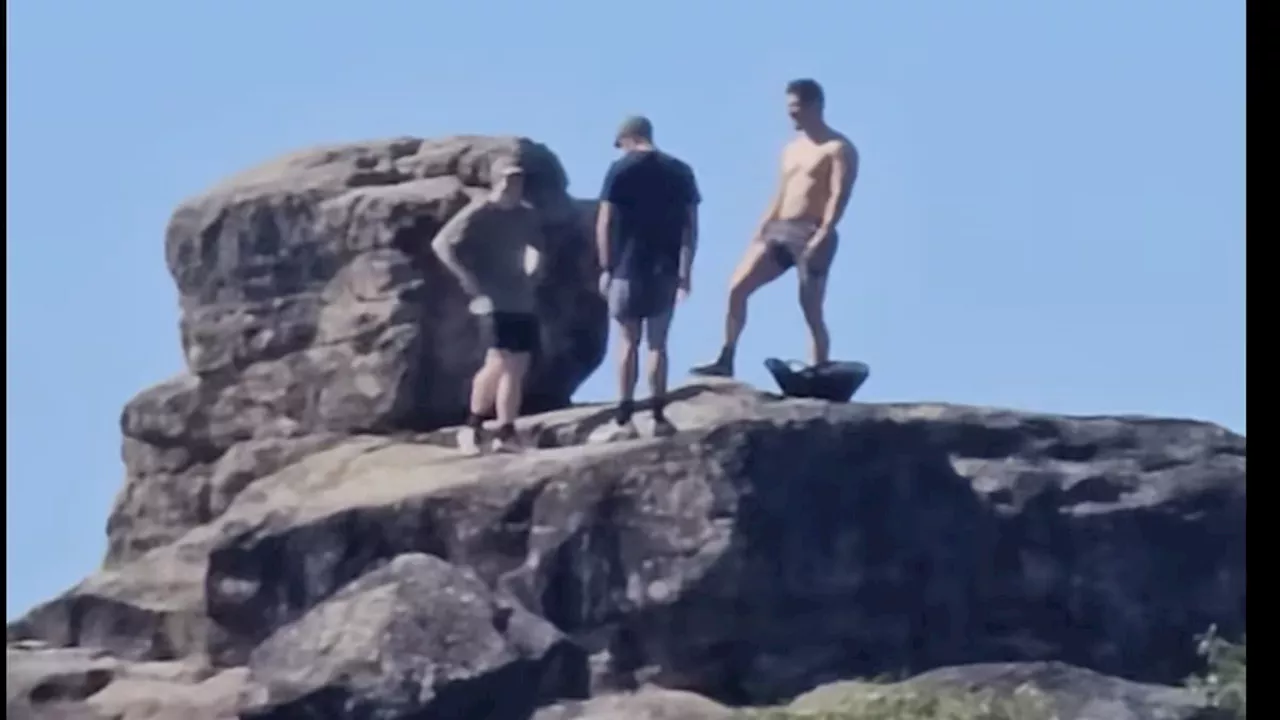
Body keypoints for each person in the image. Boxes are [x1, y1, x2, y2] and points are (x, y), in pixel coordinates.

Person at [691, 78, 859, 378]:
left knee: (810, 307)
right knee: (737, 287)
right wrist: (760, 230)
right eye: (788, 109)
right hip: (780, 228)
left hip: (812, 231)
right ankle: (726, 356)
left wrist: (824, 233)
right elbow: (780, 193)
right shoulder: (791, 150)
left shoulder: (838, 148)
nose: (790, 115)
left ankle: (818, 368)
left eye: (796, 108)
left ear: (814, 106)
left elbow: (839, 195)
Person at [431, 157, 545, 454]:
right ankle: (472, 427)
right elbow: (442, 244)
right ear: (497, 181)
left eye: (518, 179)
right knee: (500, 360)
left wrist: (535, 271)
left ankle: (504, 432)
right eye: (508, 178)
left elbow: (538, 248)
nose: (513, 184)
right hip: (491, 299)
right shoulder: (480, 211)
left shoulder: (526, 214)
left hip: (522, 299)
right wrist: (466, 280)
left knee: (516, 366)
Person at [596, 115, 701, 438]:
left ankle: (624, 419)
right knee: (658, 343)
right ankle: (657, 417)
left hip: (628, 266)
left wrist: (606, 266)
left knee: (628, 341)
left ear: (629, 137)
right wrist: (686, 270)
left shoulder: (622, 170)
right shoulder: (680, 170)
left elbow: (604, 222)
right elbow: (691, 228)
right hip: (665, 267)